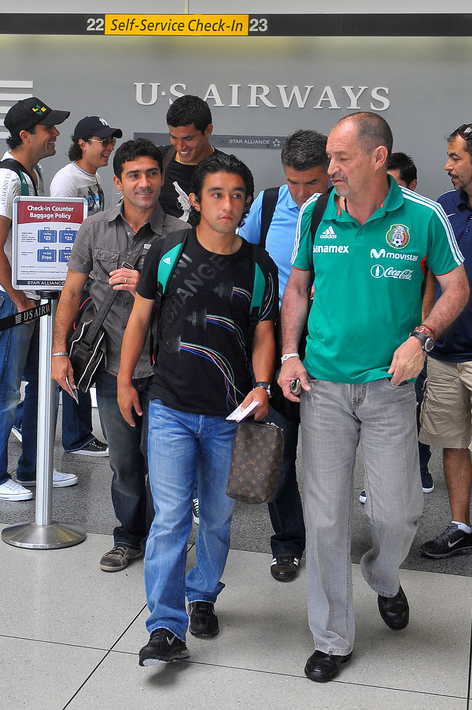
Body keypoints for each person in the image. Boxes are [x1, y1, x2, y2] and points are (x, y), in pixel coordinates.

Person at [278, 112, 469, 683]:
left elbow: (457, 287)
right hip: (323, 386)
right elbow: (298, 286)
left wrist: (422, 337)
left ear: (378, 157)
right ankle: (332, 638)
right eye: (330, 159)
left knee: (398, 512)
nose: (330, 169)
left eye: (342, 158)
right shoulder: (316, 212)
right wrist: (288, 354)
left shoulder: (423, 215)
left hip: (391, 387)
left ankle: (384, 576)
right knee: (325, 519)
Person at [117, 153, 278, 666]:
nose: (227, 204)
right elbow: (139, 320)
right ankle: (166, 627)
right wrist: (124, 380)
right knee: (169, 520)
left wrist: (263, 386)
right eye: (216, 194)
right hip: (171, 407)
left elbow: (264, 333)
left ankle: (203, 594)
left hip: (230, 416)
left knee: (217, 517)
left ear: (246, 202)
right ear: (195, 200)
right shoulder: (167, 252)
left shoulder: (259, 265)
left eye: (237, 195)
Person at [51, 138, 185, 571]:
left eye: (151, 174)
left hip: (165, 369)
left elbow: (191, 305)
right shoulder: (94, 228)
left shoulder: (182, 234)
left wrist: (149, 286)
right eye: (134, 175)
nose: (144, 183)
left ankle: (166, 541)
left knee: (165, 465)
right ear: (118, 181)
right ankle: (128, 537)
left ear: (161, 178)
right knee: (124, 462)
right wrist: (58, 351)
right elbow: (72, 292)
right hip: (110, 366)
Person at [0, 96, 77, 501]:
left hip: (32, 300)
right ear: (25, 135)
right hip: (9, 301)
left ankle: (34, 468)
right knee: (5, 390)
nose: (56, 133)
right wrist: (19, 300)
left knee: (41, 386)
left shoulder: (32, 174)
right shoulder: (6, 181)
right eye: (48, 128)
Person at [240, 129, 329, 582]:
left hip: (330, 345)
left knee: (331, 457)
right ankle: (288, 543)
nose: (301, 192)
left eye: (311, 182)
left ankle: (331, 541)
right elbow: (240, 255)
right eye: (294, 181)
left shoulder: (344, 210)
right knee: (279, 450)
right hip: (276, 342)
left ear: (331, 172)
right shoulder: (270, 203)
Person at [358, 152, 433, 499]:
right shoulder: (368, 219)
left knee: (413, 409)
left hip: (412, 341)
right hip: (371, 346)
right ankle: (377, 483)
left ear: (411, 186)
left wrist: (421, 335)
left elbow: (432, 285)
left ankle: (417, 469)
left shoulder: (422, 220)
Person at [50, 115, 123, 457]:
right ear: (82, 143)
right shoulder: (67, 181)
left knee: (83, 353)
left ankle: (72, 433)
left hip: (90, 282)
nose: (109, 147)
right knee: (72, 354)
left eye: (111, 142)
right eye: (103, 141)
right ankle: (73, 435)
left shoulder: (93, 178)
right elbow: (61, 235)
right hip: (73, 282)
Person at [419, 123, 472, 559]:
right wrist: (423, 331)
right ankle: (460, 526)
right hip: (445, 354)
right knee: (453, 442)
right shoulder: (445, 207)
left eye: (456, 157)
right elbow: (430, 277)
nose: (447, 166)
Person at [158, 94, 226, 222]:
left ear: (208, 131)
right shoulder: (157, 159)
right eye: (174, 137)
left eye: (188, 138)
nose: (180, 146)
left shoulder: (228, 170)